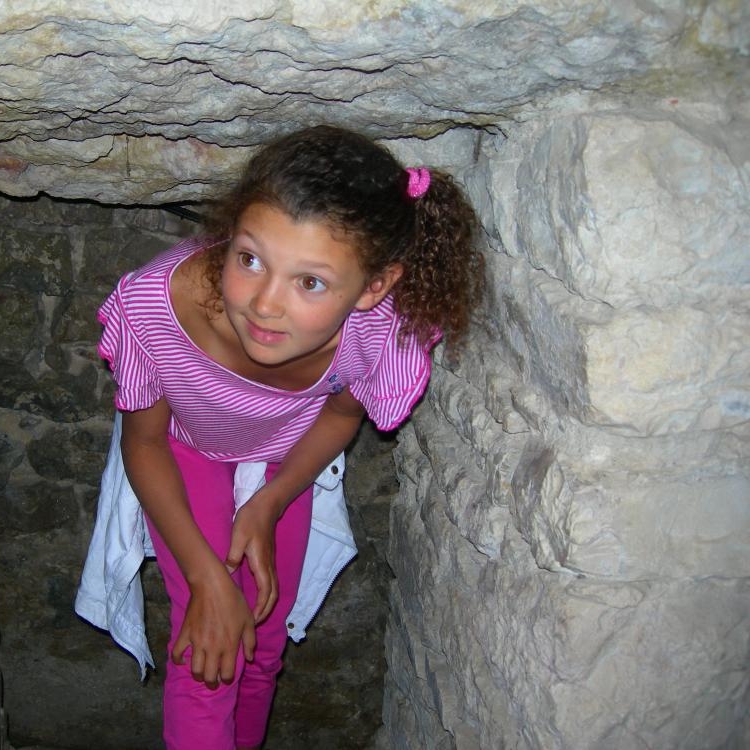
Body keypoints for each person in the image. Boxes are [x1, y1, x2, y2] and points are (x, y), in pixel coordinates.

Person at [75, 125, 482, 750]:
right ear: (229, 234)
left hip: (285, 461)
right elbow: (146, 442)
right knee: (210, 651)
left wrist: (270, 501)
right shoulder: (159, 306)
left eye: (309, 282)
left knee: (263, 645)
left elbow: (340, 416)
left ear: (374, 287)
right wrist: (207, 578)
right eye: (250, 260)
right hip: (184, 448)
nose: (266, 304)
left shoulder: (378, 330)